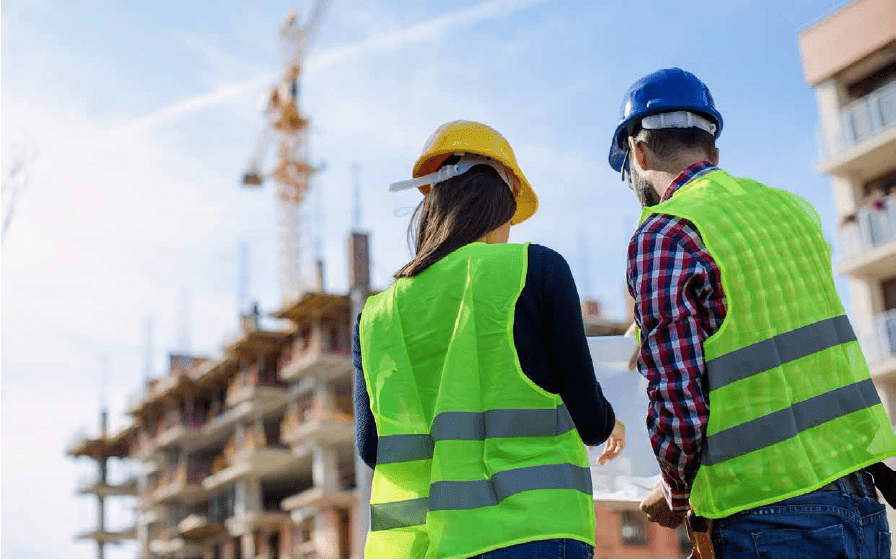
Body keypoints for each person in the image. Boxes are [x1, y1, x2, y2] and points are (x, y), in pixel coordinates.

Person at [607, 68, 896, 558]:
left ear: (637, 152)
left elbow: (678, 399)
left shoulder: (663, 234)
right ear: (712, 150)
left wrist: (674, 492)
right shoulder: (792, 210)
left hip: (768, 516)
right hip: (860, 504)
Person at [354, 120, 625, 559]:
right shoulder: (535, 270)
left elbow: (373, 449)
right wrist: (613, 423)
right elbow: (590, 420)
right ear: (501, 203)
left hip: (422, 547)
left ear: (434, 204)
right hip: (532, 534)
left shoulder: (375, 315)